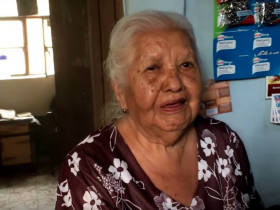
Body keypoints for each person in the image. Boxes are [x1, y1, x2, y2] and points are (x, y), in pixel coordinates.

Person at [55, 10, 265, 210]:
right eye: (152, 68)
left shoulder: (224, 142)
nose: (174, 84)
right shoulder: (87, 168)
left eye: (186, 64)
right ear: (120, 91)